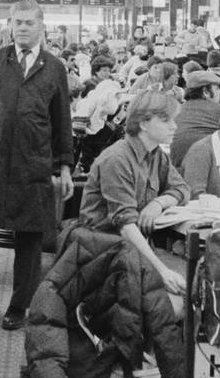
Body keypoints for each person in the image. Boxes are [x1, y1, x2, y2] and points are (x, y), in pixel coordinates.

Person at [0, 0, 75, 330]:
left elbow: (62, 121)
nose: (22, 27)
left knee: (30, 239)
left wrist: (65, 167)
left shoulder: (54, 68)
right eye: (17, 22)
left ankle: (18, 306)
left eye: (28, 23)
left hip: (32, 163)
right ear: (10, 25)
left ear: (41, 26)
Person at [75, 90, 189, 293]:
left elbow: (182, 188)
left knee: (191, 282)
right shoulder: (117, 159)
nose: (174, 126)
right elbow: (125, 225)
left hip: (129, 248)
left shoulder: (155, 154)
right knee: (182, 292)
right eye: (166, 120)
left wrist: (158, 203)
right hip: (103, 252)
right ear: (144, 124)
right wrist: (162, 271)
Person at [170, 69, 220, 166]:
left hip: (178, 167)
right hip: (208, 165)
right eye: (217, 88)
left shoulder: (178, 109)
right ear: (206, 92)